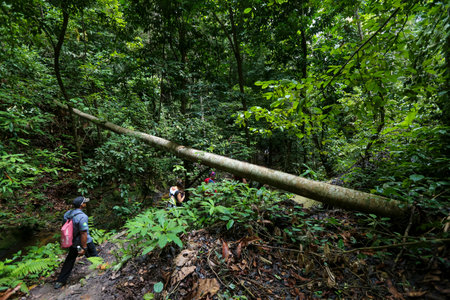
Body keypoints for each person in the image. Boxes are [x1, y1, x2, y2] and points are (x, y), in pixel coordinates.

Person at [54, 196, 98, 289]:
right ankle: (102, 271)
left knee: (69, 261)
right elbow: (83, 233)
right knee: (94, 257)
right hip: (84, 242)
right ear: (82, 205)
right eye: (85, 202)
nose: (86, 204)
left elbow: (64, 227)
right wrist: (84, 248)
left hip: (73, 243)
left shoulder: (67, 214)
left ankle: (60, 281)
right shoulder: (82, 217)